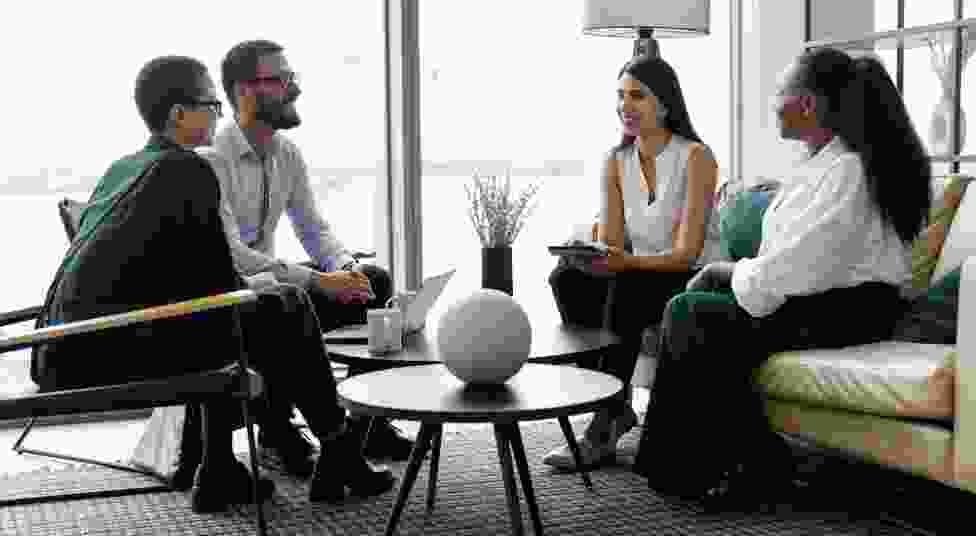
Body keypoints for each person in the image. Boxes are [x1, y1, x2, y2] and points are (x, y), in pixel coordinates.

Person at [30, 56, 396, 513]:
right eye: (210, 105)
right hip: (101, 352)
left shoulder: (125, 166)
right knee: (285, 305)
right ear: (178, 114)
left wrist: (259, 286)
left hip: (60, 348)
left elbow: (199, 280)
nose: (217, 114)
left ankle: (222, 468)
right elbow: (218, 283)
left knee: (256, 309)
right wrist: (272, 288)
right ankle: (338, 449)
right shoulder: (187, 168)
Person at [631, 47, 931, 511]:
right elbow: (792, 261)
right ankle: (733, 460)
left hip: (854, 309)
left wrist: (725, 271)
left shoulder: (847, 170)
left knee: (695, 314)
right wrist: (734, 276)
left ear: (806, 104)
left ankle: (743, 464)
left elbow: (804, 262)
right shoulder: (822, 165)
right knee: (691, 309)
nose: (773, 102)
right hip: (821, 299)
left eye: (779, 91)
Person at [198, 39, 413, 464]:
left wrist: (346, 268)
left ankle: (368, 426)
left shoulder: (287, 154)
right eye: (280, 79)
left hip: (275, 287)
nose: (293, 88)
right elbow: (233, 255)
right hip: (235, 296)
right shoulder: (211, 159)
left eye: (291, 77)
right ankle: (276, 431)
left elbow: (313, 229)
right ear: (244, 90)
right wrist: (320, 280)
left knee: (374, 282)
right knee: (288, 301)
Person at [542, 55, 723, 470]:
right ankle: (615, 405)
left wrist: (623, 263)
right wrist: (589, 255)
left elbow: (687, 252)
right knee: (566, 278)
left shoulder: (696, 157)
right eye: (620, 95)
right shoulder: (615, 160)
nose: (625, 105)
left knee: (628, 285)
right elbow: (612, 242)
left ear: (665, 103)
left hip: (693, 274)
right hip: (639, 270)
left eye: (637, 95)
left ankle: (603, 425)